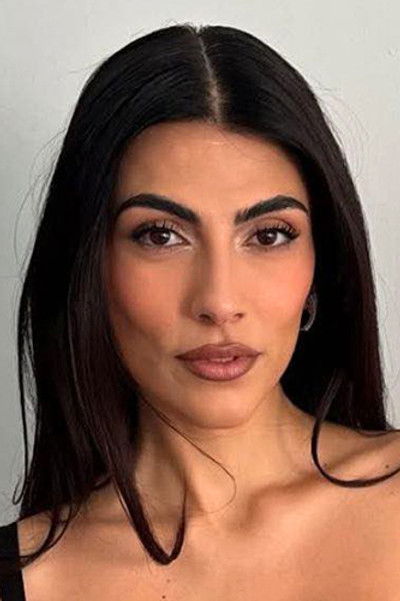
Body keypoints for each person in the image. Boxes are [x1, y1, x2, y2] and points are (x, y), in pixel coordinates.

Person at [1, 21, 400, 601]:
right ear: (89, 271)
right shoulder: (29, 577)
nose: (218, 301)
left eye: (269, 235)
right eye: (161, 235)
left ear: (321, 268)